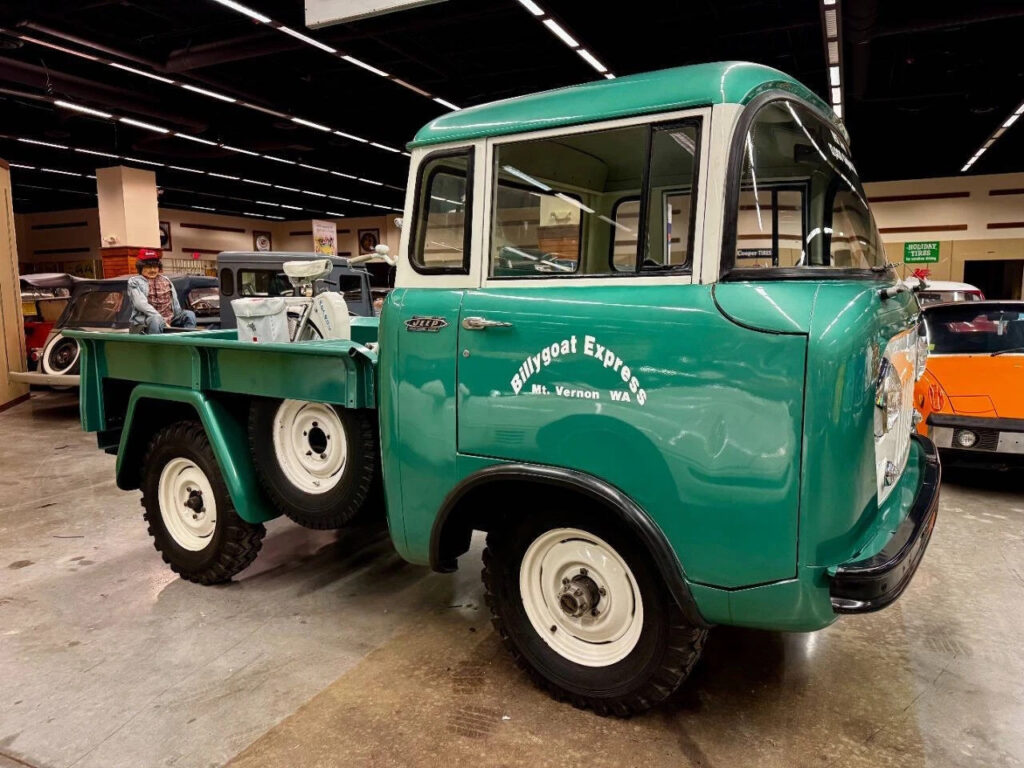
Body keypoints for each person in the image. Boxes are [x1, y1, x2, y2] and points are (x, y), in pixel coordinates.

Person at [127, 255, 196, 333]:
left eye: (155, 267)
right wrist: (161, 319)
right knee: (156, 319)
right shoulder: (134, 282)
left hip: (170, 318)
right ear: (141, 268)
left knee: (189, 314)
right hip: (148, 319)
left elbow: (174, 301)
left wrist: (178, 314)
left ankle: (187, 341)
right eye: (149, 267)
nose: (153, 270)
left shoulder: (166, 280)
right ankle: (156, 344)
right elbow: (140, 304)